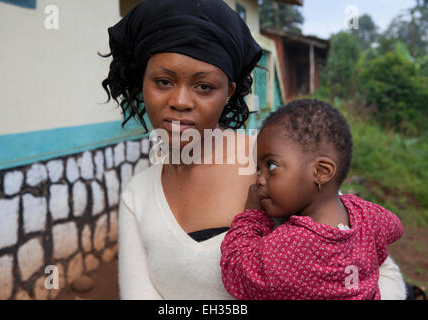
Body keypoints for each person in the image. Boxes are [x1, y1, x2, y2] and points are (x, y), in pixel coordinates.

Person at [101, 0, 407, 300]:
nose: (180, 101)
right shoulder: (137, 196)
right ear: (143, 85)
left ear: (228, 93)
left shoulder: (274, 167)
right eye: (164, 81)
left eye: (204, 86)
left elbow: (380, 273)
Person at [220, 99, 404, 300]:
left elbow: (237, 272)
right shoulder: (367, 216)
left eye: (271, 166)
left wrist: (251, 217)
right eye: (258, 169)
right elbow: (395, 227)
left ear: (321, 172)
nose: (259, 179)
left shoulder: (295, 243)